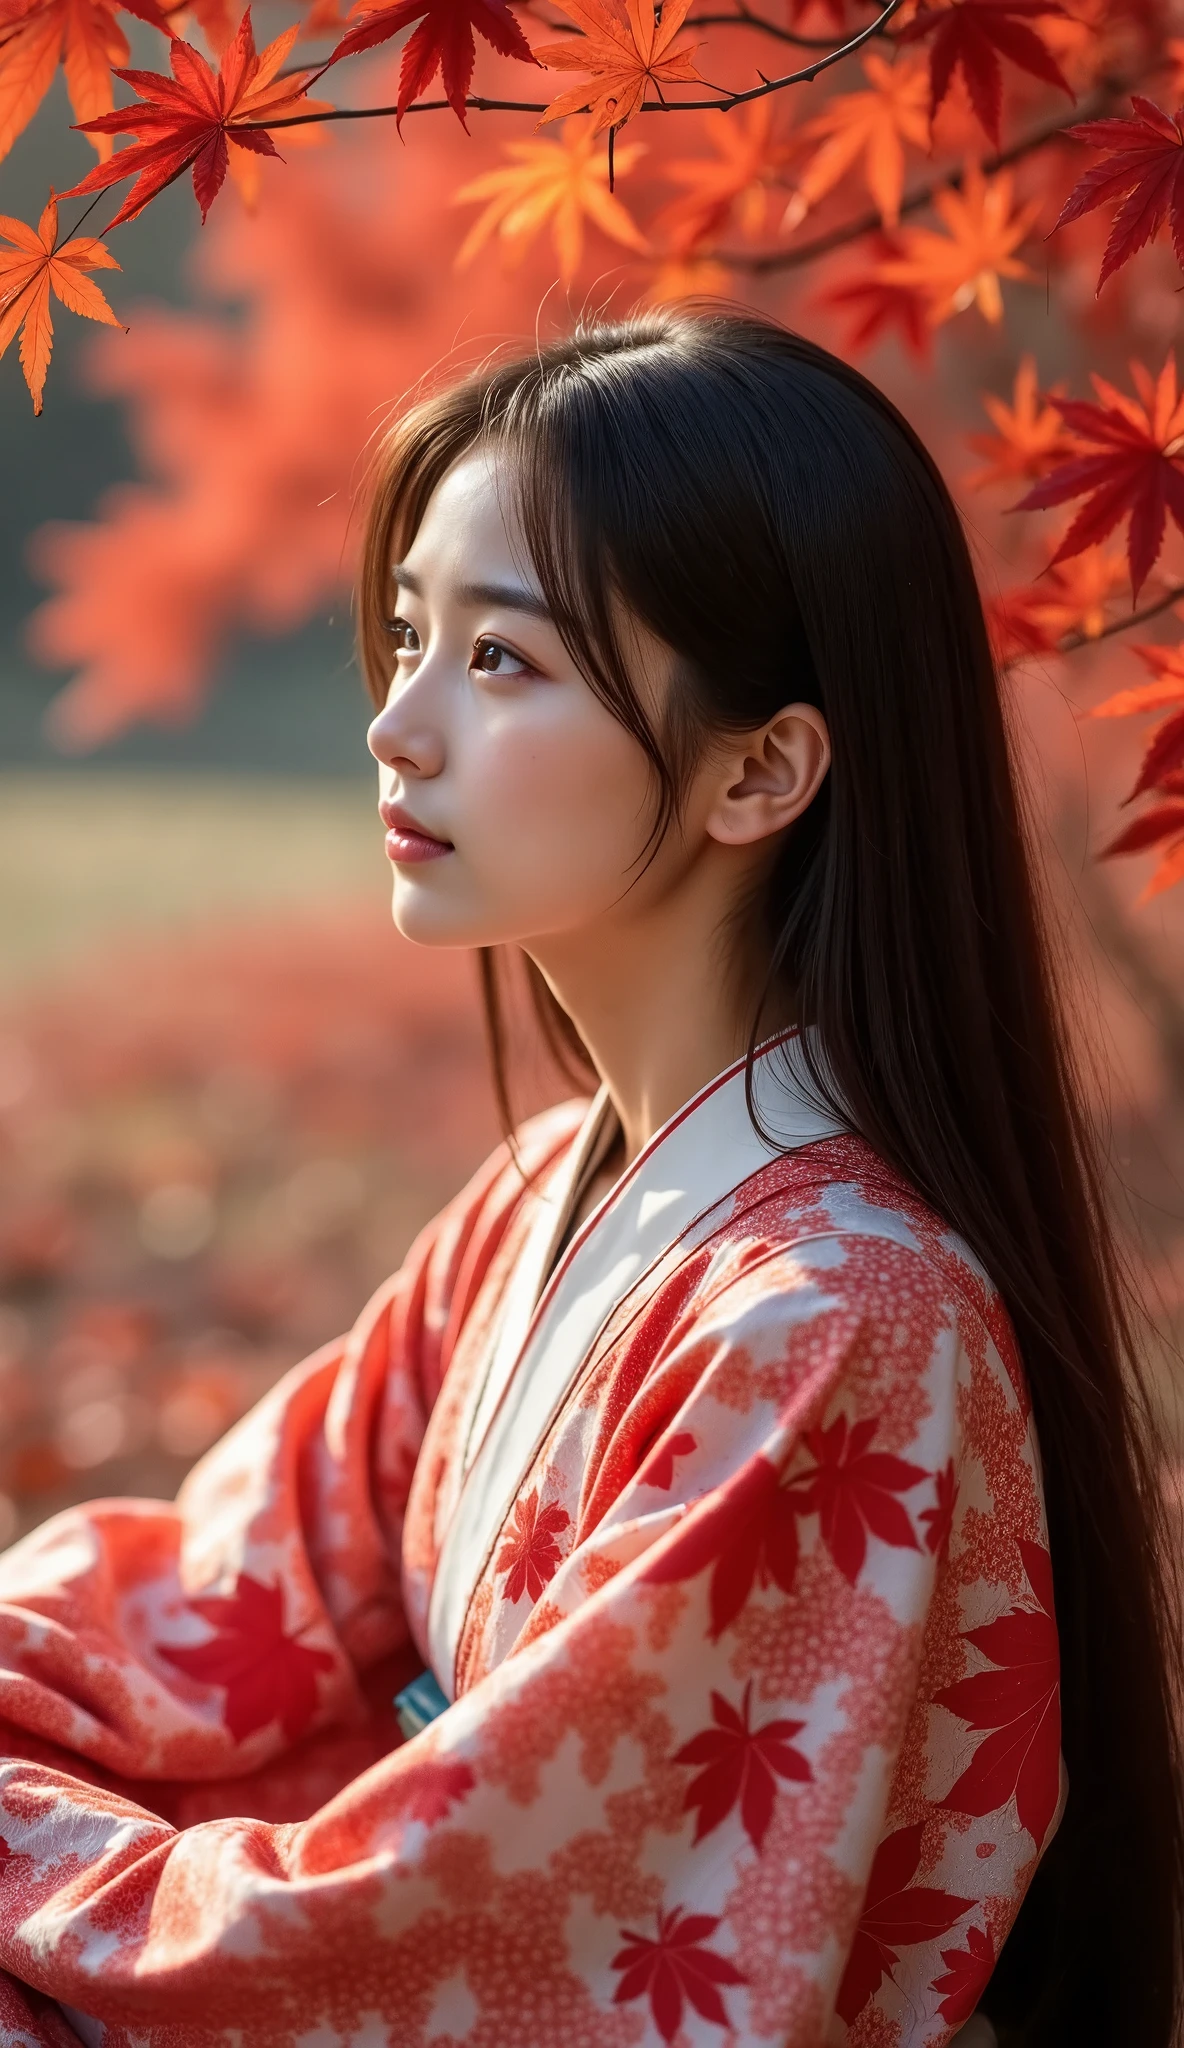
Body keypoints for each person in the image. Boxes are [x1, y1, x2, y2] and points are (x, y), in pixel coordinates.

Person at [0, 306, 1179, 2048]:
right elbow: (217, 1600)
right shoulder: (553, 1191)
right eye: (409, 637)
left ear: (760, 767)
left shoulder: (842, 1327)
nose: (397, 726)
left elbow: (486, 1919)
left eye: (502, 661)